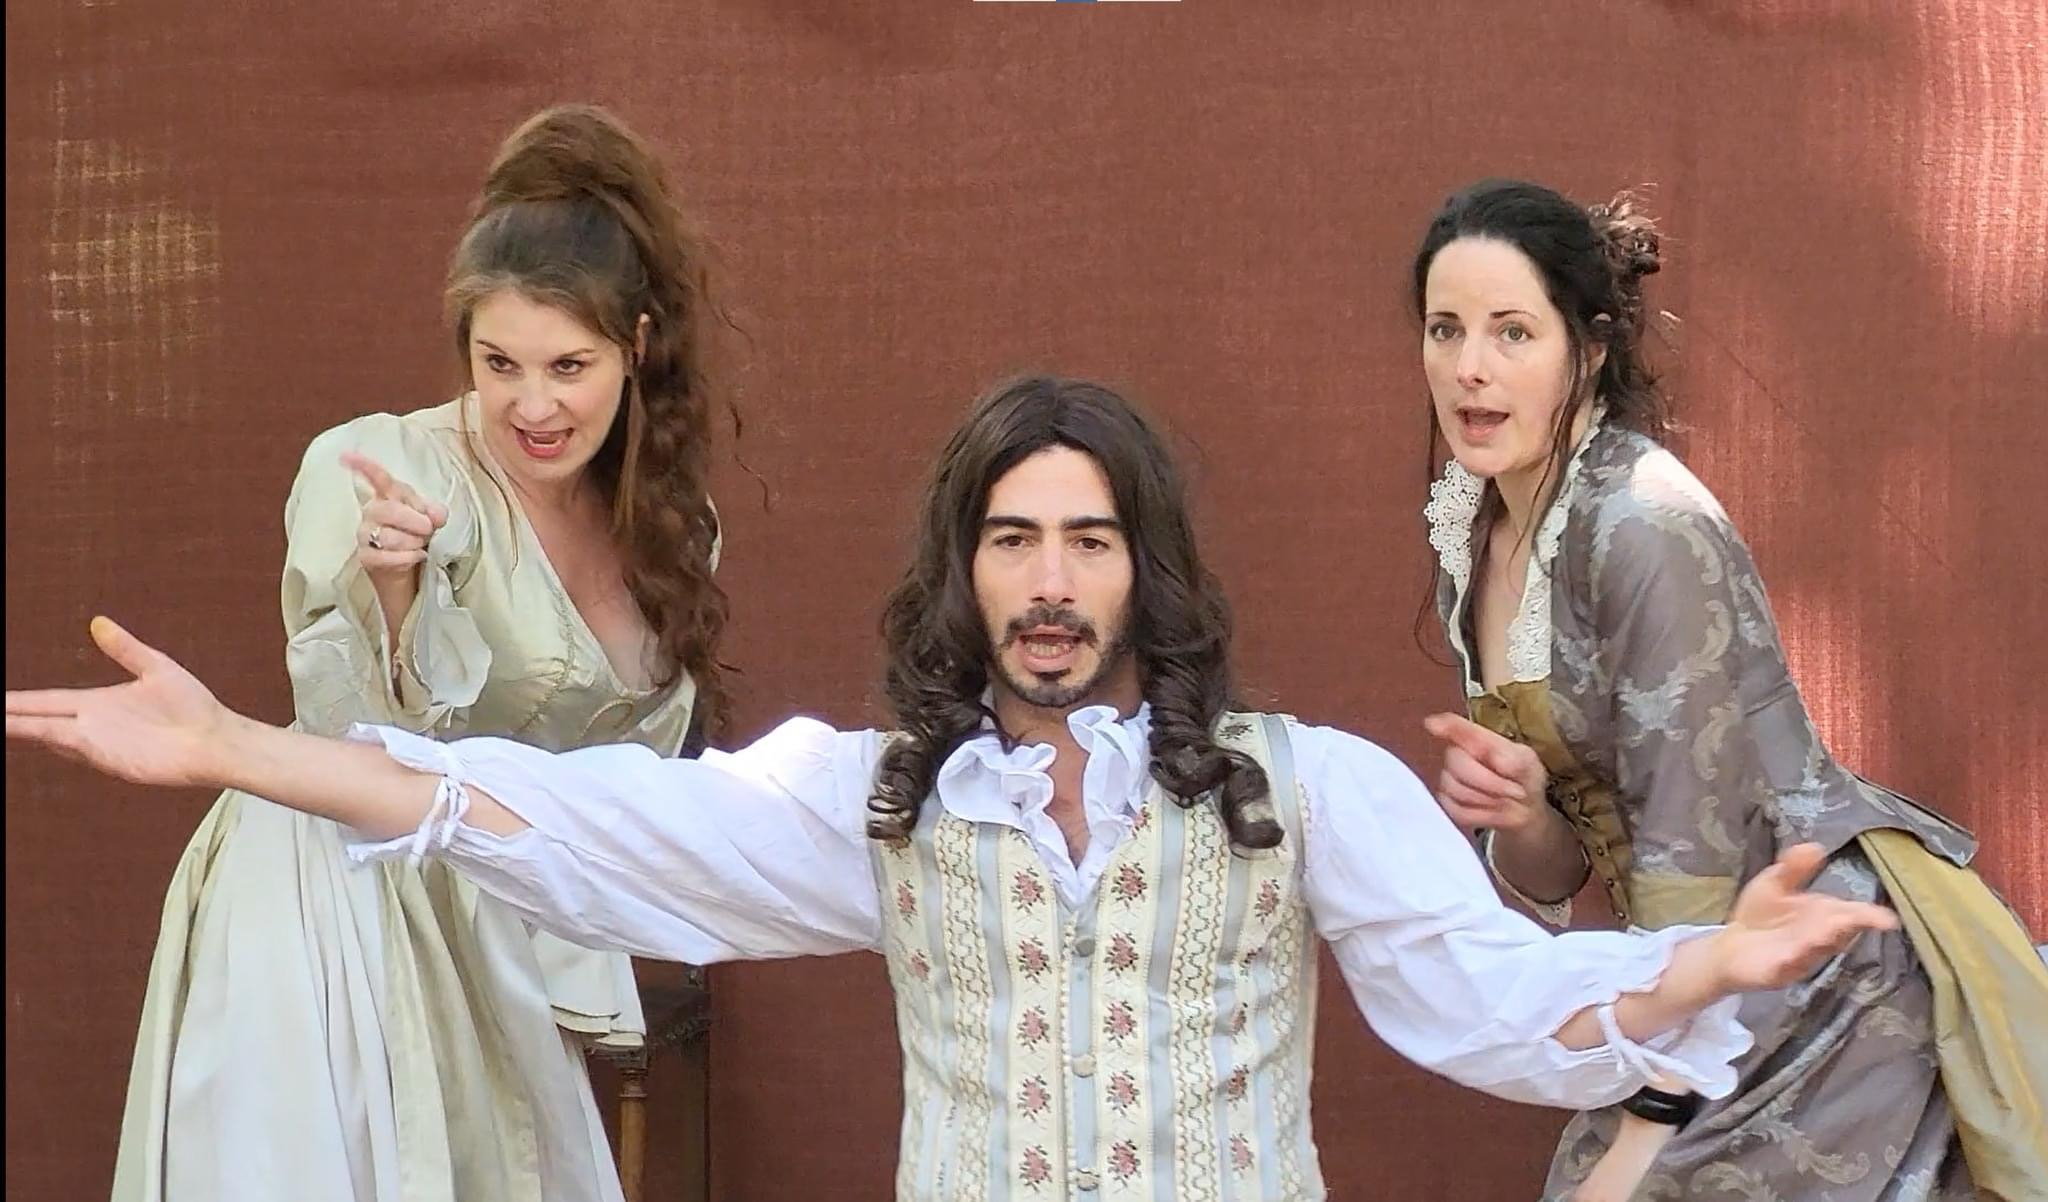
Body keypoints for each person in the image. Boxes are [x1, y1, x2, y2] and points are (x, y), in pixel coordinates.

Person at [11, 376, 1895, 1202]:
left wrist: (1696, 972)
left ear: (1143, 571)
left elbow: (1488, 996)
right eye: (1012, 540)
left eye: (1087, 540)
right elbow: (552, 816)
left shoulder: (1297, 787)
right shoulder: (881, 805)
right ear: (965, 573)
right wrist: (237, 748)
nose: (1050, 582)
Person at [93, 104, 732, 1202]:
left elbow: (631, 778)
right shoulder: (381, 465)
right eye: (499, 362)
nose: (534, 405)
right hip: (330, 899)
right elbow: (345, 738)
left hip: (493, 905)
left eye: (569, 365)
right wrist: (394, 595)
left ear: (636, 345)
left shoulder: (674, 527)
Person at [1411, 179, 2048, 1201]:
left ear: (1590, 350)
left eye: (1512, 331)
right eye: (1445, 328)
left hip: (1812, 974)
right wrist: (1523, 812)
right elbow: (1561, 864)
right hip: (1693, 968)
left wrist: (1642, 1126)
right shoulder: (1470, 529)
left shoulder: (1644, 527)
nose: (1469, 366)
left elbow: (1691, 860)